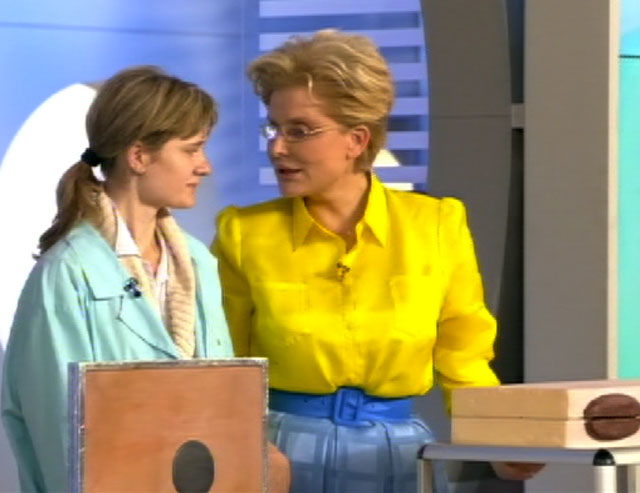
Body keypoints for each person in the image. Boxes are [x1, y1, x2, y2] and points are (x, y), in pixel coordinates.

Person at [213, 30, 542, 492]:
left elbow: (464, 357)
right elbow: (222, 369)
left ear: (356, 139)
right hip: (276, 454)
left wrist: (498, 443)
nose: (277, 147)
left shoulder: (436, 225)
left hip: (399, 456)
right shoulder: (244, 233)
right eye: (274, 128)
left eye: (299, 131)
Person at [1, 66, 289, 493]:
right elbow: (59, 436)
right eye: (192, 150)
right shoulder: (68, 273)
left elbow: (222, 402)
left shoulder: (198, 262)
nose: (206, 167)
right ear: (138, 156)